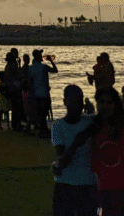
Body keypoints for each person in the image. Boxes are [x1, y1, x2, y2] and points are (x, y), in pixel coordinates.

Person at [55, 88, 124, 216]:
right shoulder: (95, 132)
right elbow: (97, 168)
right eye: (101, 102)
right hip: (109, 197)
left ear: (116, 105)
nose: (105, 106)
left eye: (109, 102)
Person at [51, 84, 96, 216]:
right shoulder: (58, 125)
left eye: (79, 101)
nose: (77, 105)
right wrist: (76, 143)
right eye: (73, 101)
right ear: (65, 102)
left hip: (87, 182)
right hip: (66, 183)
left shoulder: (90, 122)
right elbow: (63, 160)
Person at [28, 49, 58, 138]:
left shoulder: (31, 68)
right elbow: (55, 70)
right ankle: (42, 130)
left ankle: (42, 129)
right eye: (40, 55)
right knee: (44, 113)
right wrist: (51, 61)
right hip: (44, 94)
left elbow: (30, 82)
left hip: (36, 94)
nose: (42, 57)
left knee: (40, 113)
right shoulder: (44, 67)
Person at [4, 48, 24, 131]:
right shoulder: (12, 64)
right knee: (16, 107)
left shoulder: (10, 64)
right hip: (14, 88)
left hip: (13, 88)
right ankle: (16, 124)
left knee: (15, 107)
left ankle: (16, 123)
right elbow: (17, 75)